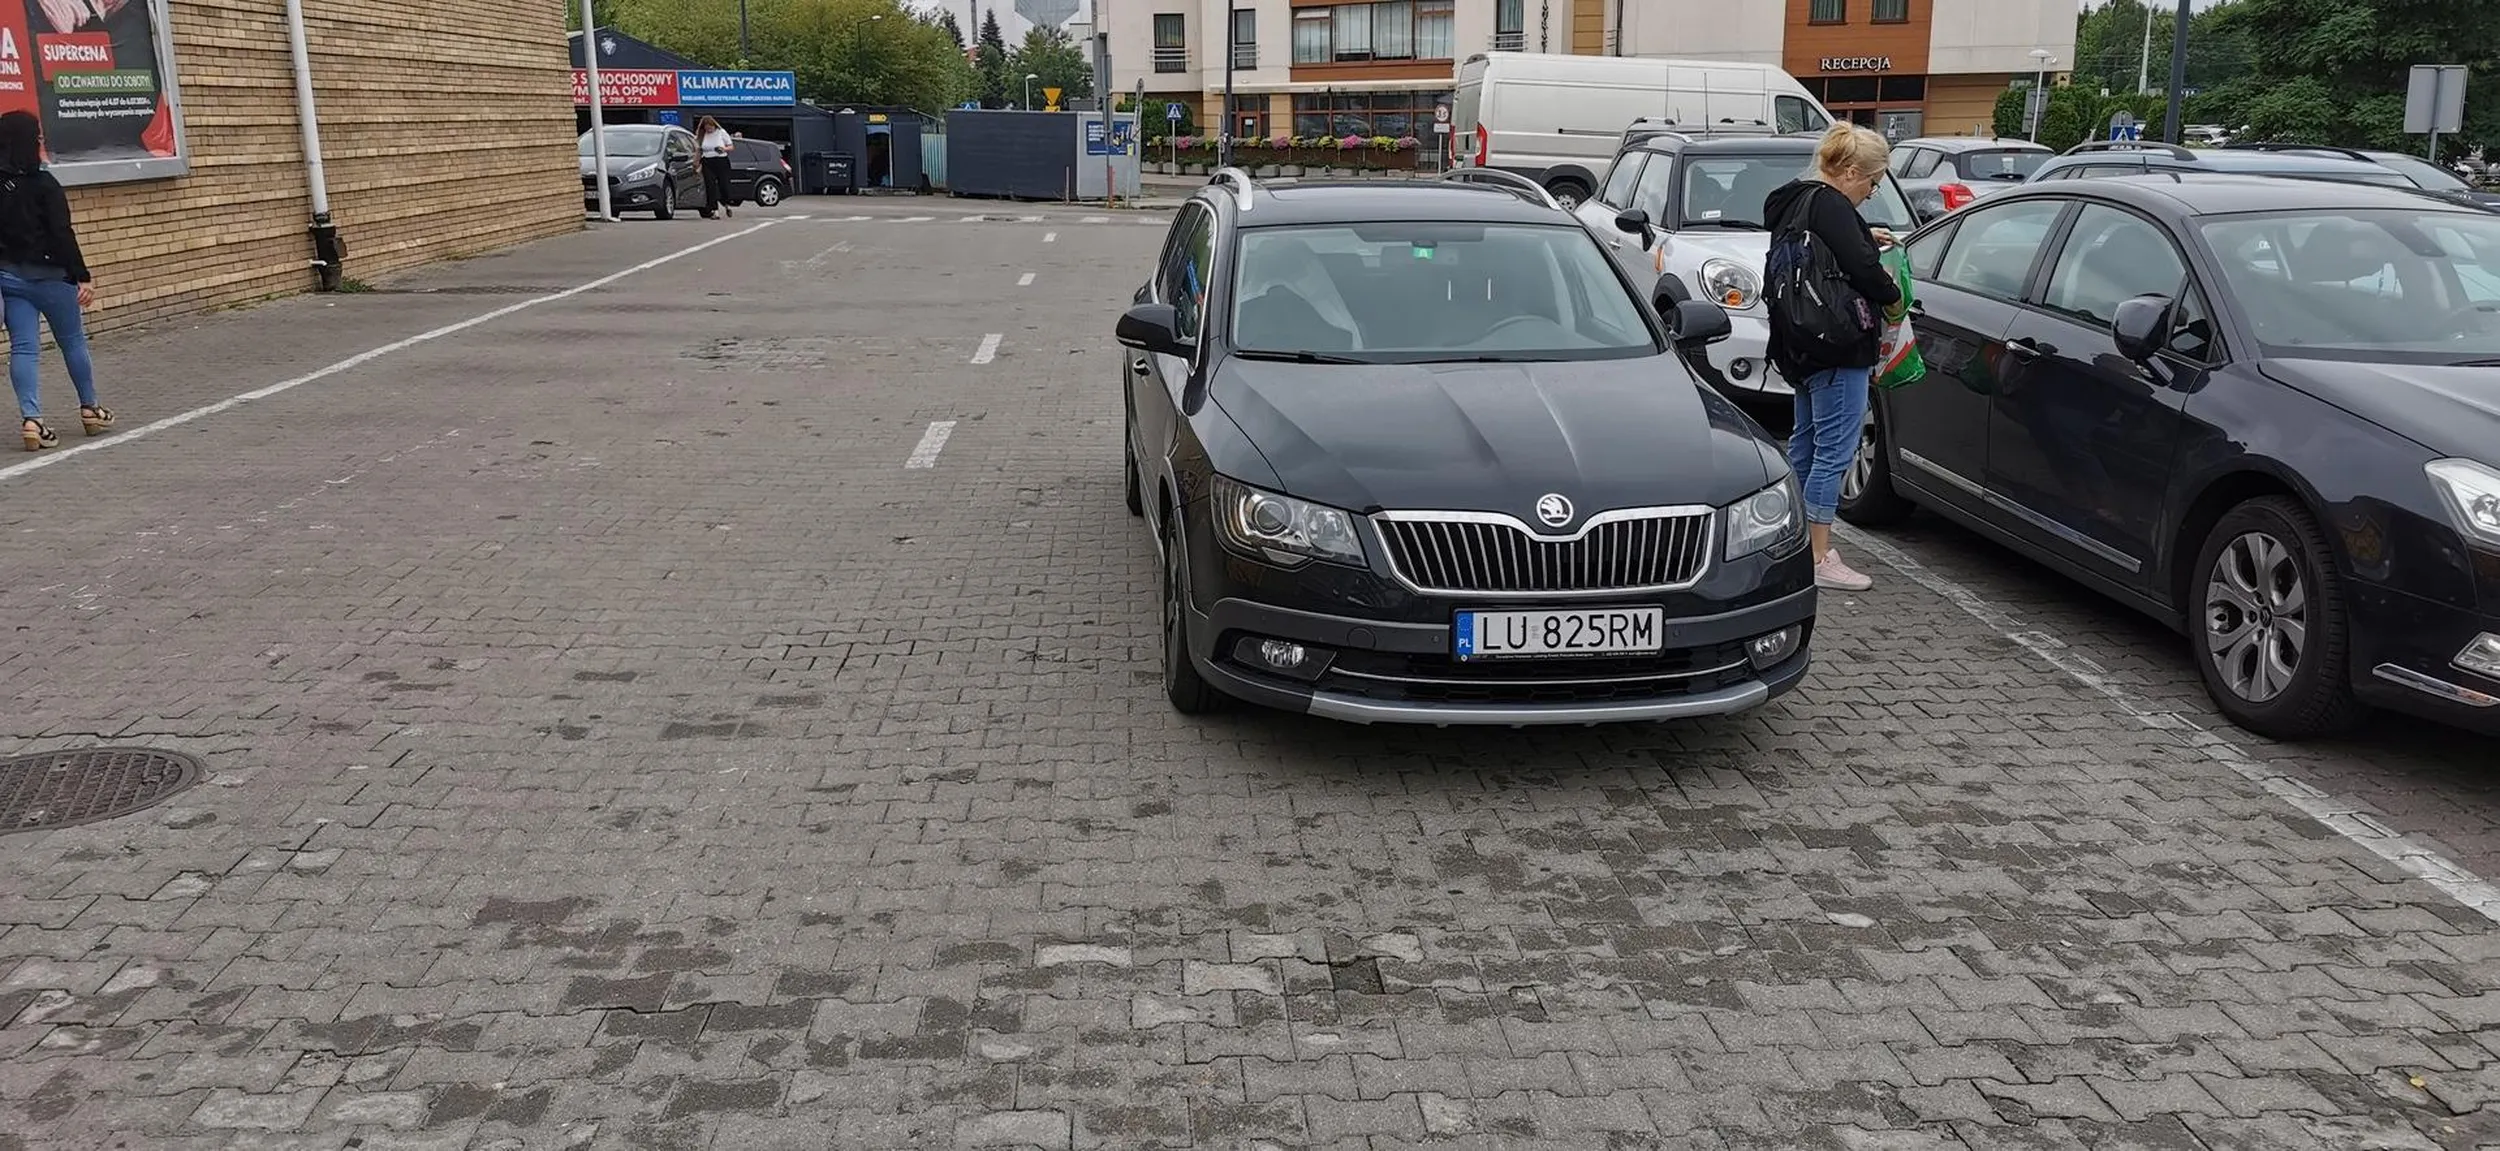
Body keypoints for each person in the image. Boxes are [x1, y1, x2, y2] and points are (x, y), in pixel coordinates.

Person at [1762, 123, 1901, 592]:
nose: (1871, 191)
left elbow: (1833, 247)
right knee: (1834, 454)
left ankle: (1792, 540)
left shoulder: (1796, 200)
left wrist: (1864, 233)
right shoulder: (1833, 206)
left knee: (1803, 445)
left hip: (1800, 344)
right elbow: (1863, 269)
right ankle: (1819, 555)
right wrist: (1894, 296)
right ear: (1847, 172)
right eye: (1872, 181)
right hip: (1838, 344)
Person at [0, 112, 107, 453]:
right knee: (73, 342)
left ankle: (32, 420)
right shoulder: (45, 184)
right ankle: (90, 409)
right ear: (32, 140)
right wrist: (82, 275)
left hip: (11, 278)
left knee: (25, 348)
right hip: (52, 278)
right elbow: (62, 234)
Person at [696, 117, 735, 219]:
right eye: (707, 128)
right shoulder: (702, 135)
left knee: (724, 185)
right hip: (707, 161)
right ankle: (715, 211)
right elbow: (699, 150)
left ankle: (726, 203)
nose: (709, 130)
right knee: (710, 186)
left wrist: (724, 149)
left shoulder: (721, 132)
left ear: (714, 125)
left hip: (721, 160)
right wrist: (696, 163)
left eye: (711, 127)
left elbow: (731, 146)